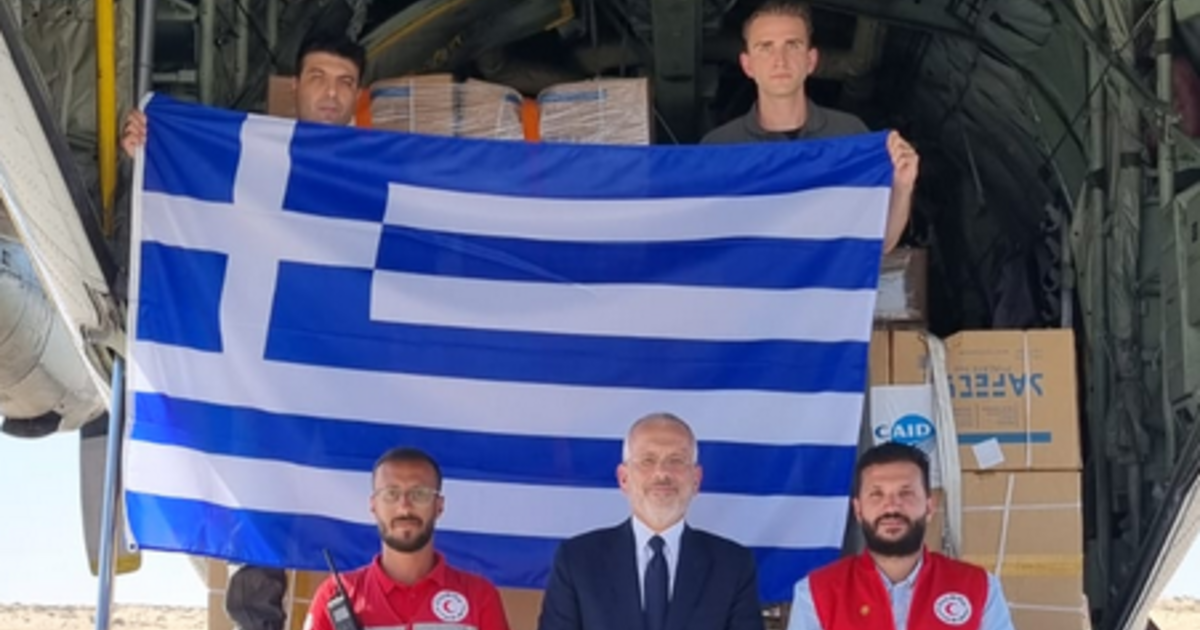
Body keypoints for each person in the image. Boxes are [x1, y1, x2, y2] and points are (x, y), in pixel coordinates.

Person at [700, 0, 918, 254]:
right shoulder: (718, 147)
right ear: (748, 65)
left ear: (811, 60)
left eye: (792, 45)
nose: (780, 61)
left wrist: (902, 186)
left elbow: (876, 244)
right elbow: (705, 245)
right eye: (765, 47)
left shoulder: (848, 134)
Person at [537, 412, 764, 630]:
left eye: (676, 460)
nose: (662, 473)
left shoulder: (733, 566)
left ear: (696, 480)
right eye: (647, 461)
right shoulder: (577, 561)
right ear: (624, 478)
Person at [785, 442, 1015, 630]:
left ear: (929, 507)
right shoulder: (816, 593)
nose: (892, 506)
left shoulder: (979, 588)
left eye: (906, 493)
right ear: (858, 510)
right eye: (877, 494)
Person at [303, 447, 511, 630]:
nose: (404, 507)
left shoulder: (479, 596)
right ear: (374, 505)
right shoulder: (334, 596)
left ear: (439, 506)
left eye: (419, 494)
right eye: (391, 494)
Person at [119, 28, 365, 157]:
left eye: (345, 82)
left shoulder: (376, 166)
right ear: (295, 85)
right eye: (317, 78)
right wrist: (148, 155)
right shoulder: (254, 151)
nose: (331, 92)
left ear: (357, 95)